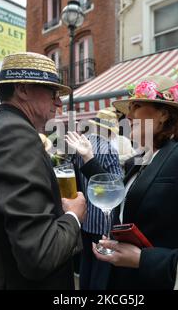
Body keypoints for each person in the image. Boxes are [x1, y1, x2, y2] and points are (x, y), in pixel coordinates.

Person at [68, 75, 178, 289]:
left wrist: (143, 260)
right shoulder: (140, 161)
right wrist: (88, 158)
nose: (127, 115)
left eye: (136, 106)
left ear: (164, 114)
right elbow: (118, 191)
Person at [0, 52, 86, 290]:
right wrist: (73, 217)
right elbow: (40, 255)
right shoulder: (16, 136)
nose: (58, 102)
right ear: (23, 89)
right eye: (52, 93)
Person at [66, 108, 123, 290]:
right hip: (103, 218)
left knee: (87, 263)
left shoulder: (84, 145)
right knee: (102, 267)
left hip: (85, 214)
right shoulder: (109, 149)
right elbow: (114, 186)